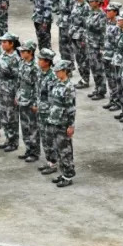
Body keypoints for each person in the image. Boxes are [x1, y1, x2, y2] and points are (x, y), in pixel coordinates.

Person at [48, 59, 77, 187]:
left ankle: (68, 175)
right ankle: (63, 172)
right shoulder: (57, 84)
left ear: (65, 71)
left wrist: (71, 125)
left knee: (65, 150)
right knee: (59, 149)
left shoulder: (69, 87)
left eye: (58, 71)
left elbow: (71, 108)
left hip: (63, 122)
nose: (56, 73)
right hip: (55, 120)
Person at [15, 40, 41, 163]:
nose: (21, 52)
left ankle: (35, 152)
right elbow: (20, 82)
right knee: (24, 126)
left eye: (24, 51)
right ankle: (28, 149)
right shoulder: (22, 63)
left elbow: (38, 86)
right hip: (23, 99)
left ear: (30, 52)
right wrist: (17, 95)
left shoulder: (35, 67)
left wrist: (36, 103)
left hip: (31, 101)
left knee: (33, 128)